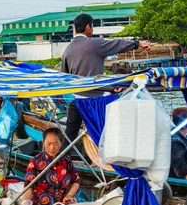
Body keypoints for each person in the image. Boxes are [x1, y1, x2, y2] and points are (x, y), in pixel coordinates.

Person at [61, 13, 151, 142]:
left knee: (70, 135)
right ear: (88, 27)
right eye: (92, 27)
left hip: (77, 101)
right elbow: (117, 44)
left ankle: (61, 159)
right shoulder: (94, 44)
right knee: (106, 133)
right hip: (96, 101)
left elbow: (64, 77)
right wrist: (138, 44)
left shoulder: (67, 50)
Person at [22, 127, 81, 205]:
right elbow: (28, 185)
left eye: (56, 144)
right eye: (48, 144)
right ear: (43, 143)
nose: (52, 148)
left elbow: (76, 180)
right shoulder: (35, 162)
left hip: (62, 203)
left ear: (61, 144)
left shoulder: (66, 160)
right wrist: (25, 202)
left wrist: (69, 195)